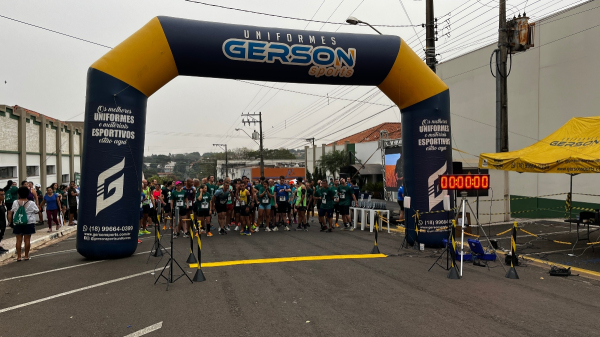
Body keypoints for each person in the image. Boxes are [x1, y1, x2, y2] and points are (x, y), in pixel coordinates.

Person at [10, 186, 39, 261]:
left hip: (18, 222)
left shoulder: (15, 202)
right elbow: (37, 211)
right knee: (27, 240)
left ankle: (19, 257)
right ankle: (26, 256)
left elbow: (12, 211)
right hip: (29, 222)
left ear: (19, 194)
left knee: (18, 240)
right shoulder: (31, 203)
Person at [0, 189, 8, 254]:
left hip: (3, 222)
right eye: (1, 195)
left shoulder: (2, 203)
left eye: (3, 194)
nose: (3, 196)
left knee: (1, 235)